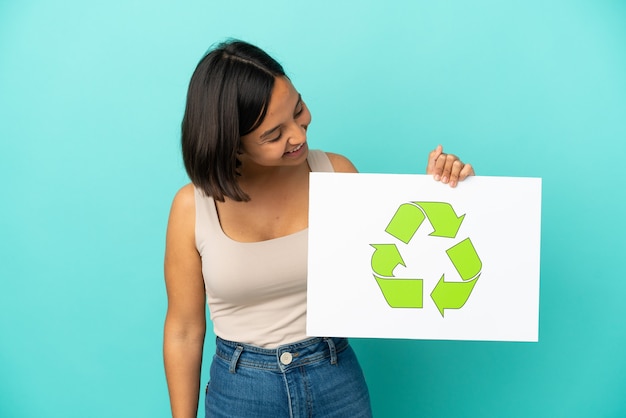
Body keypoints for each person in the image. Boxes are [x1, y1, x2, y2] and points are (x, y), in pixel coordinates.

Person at [163, 39, 474, 418]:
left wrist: (441, 191)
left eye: (298, 110)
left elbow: (398, 260)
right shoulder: (191, 207)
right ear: (232, 144)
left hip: (333, 377)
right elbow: (183, 330)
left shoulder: (337, 174)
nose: (298, 135)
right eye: (274, 135)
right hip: (241, 389)